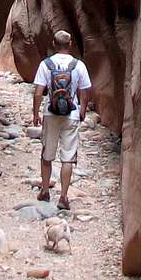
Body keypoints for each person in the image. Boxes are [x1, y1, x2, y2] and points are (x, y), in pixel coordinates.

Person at [32, 29, 92, 210]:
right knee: (67, 158)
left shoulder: (45, 65)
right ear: (70, 44)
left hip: (51, 114)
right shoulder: (78, 65)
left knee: (47, 155)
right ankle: (64, 197)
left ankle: (44, 191)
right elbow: (85, 91)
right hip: (71, 114)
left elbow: (37, 92)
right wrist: (82, 109)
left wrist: (35, 114)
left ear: (53, 44)